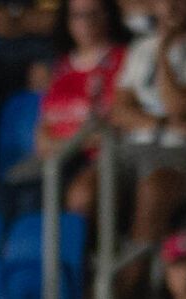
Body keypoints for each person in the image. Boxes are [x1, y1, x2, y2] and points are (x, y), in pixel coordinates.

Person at [109, 0, 186, 247]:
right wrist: (162, 125)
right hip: (135, 146)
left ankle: (128, 282)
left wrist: (163, 52)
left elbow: (178, 106)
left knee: (153, 191)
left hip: (181, 152)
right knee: (84, 190)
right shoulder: (141, 46)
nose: (172, 6)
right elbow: (119, 112)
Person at [30, 0, 128, 215]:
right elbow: (43, 124)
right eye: (77, 15)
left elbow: (114, 125)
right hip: (58, 157)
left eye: (94, 13)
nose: (86, 22)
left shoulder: (123, 60)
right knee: (20, 189)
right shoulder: (62, 67)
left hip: (101, 159)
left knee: (81, 195)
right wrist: (51, 146)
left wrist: (66, 146)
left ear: (108, 16)